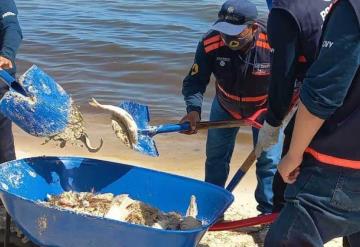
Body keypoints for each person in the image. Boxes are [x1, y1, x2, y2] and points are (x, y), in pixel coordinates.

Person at [264, 0, 360, 245]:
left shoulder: (284, 12)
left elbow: (322, 94)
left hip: (341, 164)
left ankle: (272, 211)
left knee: (289, 237)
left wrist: (292, 152)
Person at [180, 0, 283, 215]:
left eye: (235, 33)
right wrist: (193, 111)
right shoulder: (210, 42)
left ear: (253, 27)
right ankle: (212, 211)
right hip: (225, 105)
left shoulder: (275, 43)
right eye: (224, 31)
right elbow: (195, 81)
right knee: (216, 158)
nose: (228, 38)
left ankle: (267, 214)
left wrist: (277, 113)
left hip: (265, 109)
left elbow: (293, 80)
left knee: (269, 163)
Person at [255, 0, 333, 212]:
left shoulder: (284, 11)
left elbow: (283, 76)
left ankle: (277, 220)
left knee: (287, 170)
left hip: (323, 97)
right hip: (347, 92)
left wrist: (272, 123)